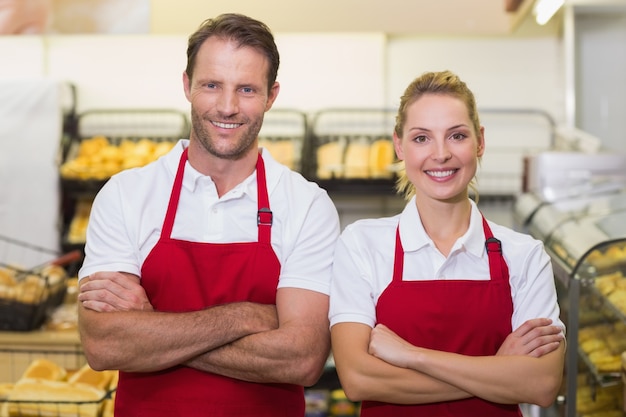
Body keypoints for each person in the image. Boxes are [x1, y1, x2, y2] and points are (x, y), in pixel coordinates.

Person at [77, 13, 340, 417]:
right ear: (187, 85)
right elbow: (104, 345)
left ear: (272, 95)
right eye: (212, 85)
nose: (228, 107)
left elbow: (302, 359)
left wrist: (153, 328)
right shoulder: (126, 195)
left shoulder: (306, 205)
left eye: (247, 89)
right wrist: (247, 316)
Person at [328, 70, 565, 416]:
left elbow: (541, 384)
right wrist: (496, 369)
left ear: (480, 141)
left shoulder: (524, 255)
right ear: (399, 146)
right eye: (422, 138)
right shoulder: (362, 245)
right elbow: (358, 378)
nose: (440, 154)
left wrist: (413, 356)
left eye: (456, 136)